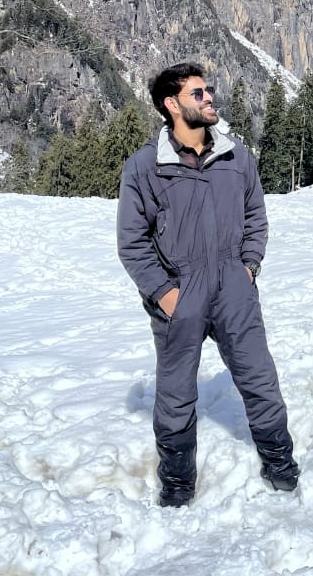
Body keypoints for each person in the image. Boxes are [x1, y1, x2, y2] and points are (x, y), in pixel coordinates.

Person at [117, 62, 298, 507]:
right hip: (180, 292)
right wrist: (165, 294)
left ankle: (280, 463)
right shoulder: (145, 167)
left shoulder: (236, 157)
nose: (209, 97)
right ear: (172, 104)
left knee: (259, 377)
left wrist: (248, 268)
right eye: (197, 93)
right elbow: (132, 242)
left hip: (234, 287)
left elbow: (256, 217)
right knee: (176, 391)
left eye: (209, 90)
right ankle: (178, 483)